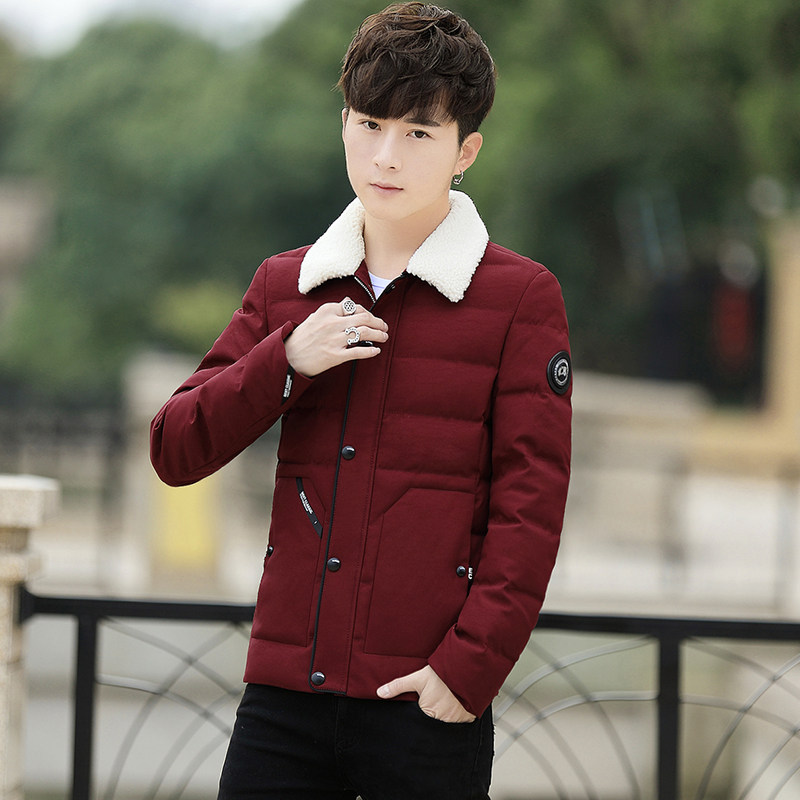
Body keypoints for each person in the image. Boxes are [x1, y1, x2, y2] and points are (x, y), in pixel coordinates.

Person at [149, 3, 572, 798]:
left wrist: (465, 675)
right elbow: (174, 447)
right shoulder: (288, 284)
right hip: (284, 702)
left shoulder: (520, 299)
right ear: (343, 121)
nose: (386, 155)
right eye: (370, 123)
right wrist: (286, 358)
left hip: (424, 707)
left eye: (418, 133)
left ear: (465, 150)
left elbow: (531, 510)